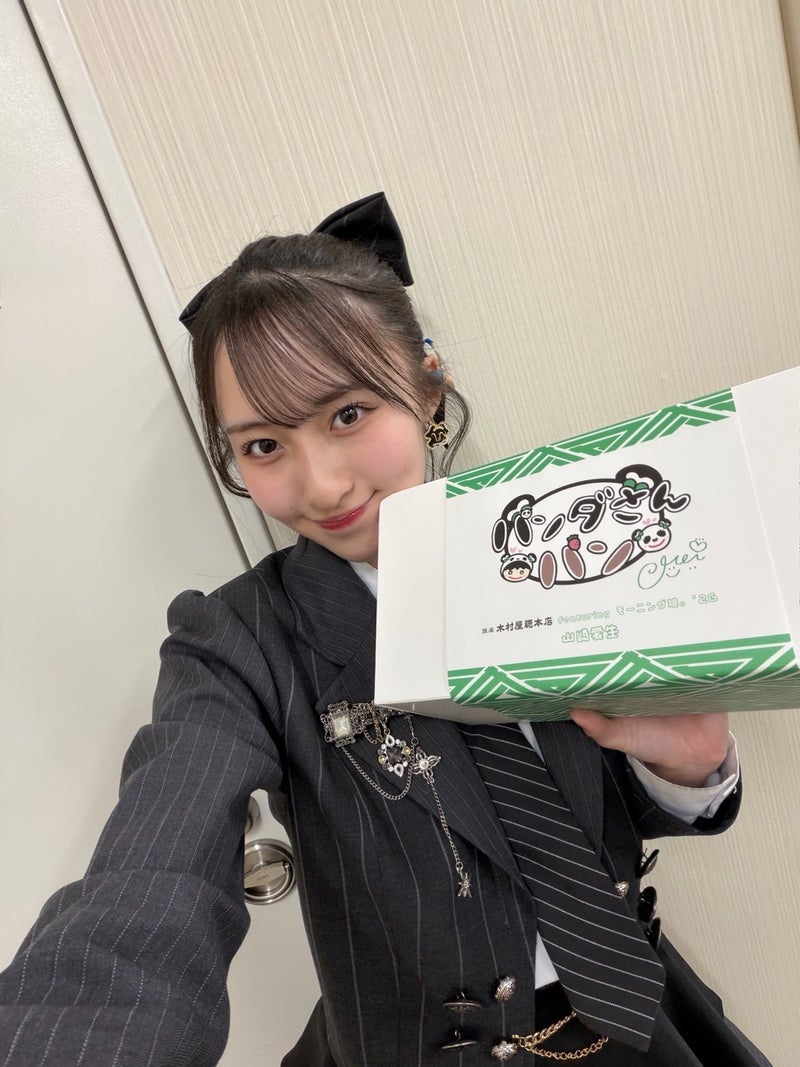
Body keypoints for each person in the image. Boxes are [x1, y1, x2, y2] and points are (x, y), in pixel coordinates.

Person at [0, 193, 770, 1066]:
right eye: (263, 446)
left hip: (644, 1016)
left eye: (348, 414)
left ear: (427, 385)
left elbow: (584, 831)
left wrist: (687, 768)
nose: (322, 484)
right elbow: (149, 876)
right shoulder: (236, 642)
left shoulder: (553, 544)